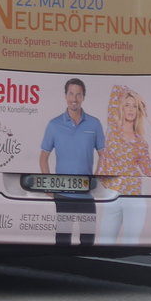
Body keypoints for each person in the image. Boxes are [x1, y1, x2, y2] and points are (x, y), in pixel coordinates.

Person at [96, 85, 151, 244]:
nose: (131, 109)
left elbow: (148, 171)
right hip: (111, 192)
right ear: (120, 107)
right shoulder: (113, 129)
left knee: (131, 242)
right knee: (105, 240)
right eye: (127, 105)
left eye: (135, 106)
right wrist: (135, 95)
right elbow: (115, 89)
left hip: (134, 196)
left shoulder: (140, 141)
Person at [40, 78, 105, 246]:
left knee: (89, 240)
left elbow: (104, 155)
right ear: (65, 96)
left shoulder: (94, 124)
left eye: (78, 94)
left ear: (83, 97)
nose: (74, 98)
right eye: (71, 94)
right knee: (62, 239)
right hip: (62, 194)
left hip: (86, 193)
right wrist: (48, 185)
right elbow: (43, 157)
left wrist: (96, 179)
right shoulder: (54, 125)